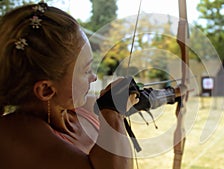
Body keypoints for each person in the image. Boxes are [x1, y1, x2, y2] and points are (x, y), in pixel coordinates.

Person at [0, 2, 139, 169]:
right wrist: (113, 114)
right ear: (46, 90)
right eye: (86, 70)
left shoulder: (81, 108)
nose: (94, 77)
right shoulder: (15, 133)